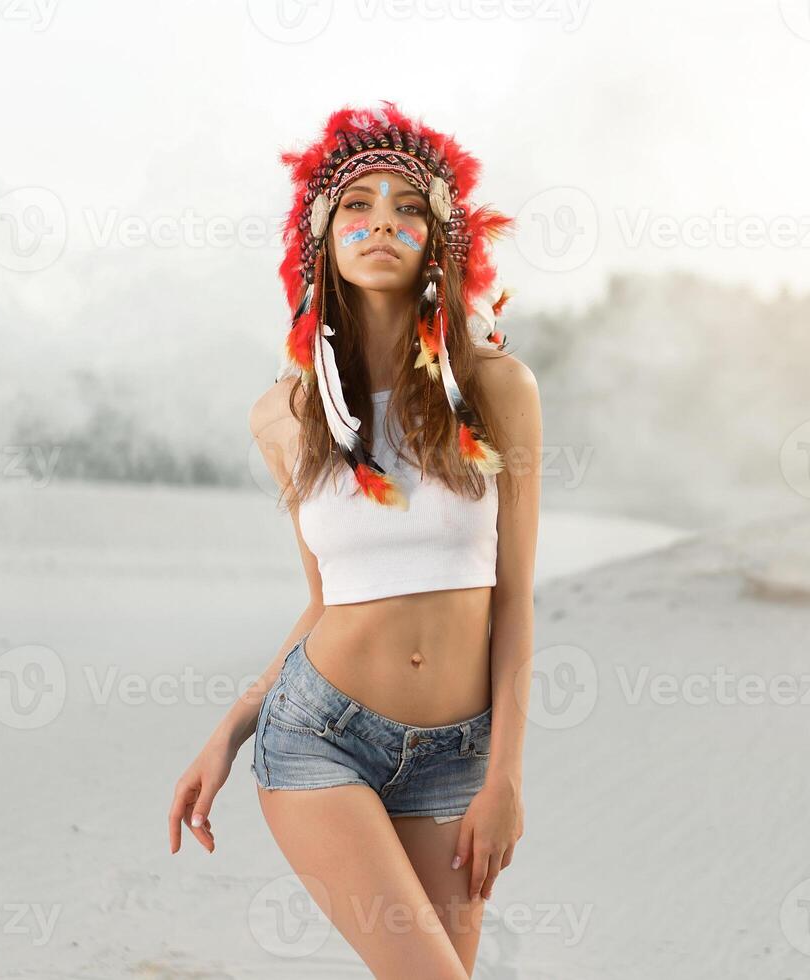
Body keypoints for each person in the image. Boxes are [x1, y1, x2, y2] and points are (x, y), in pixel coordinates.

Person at [167, 102, 541, 979]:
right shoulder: (285, 416)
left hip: (461, 752)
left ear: (442, 242)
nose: (382, 222)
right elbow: (325, 602)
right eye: (357, 206)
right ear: (321, 241)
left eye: (408, 207)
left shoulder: (495, 387)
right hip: (320, 736)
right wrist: (229, 732)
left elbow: (515, 596)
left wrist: (507, 777)